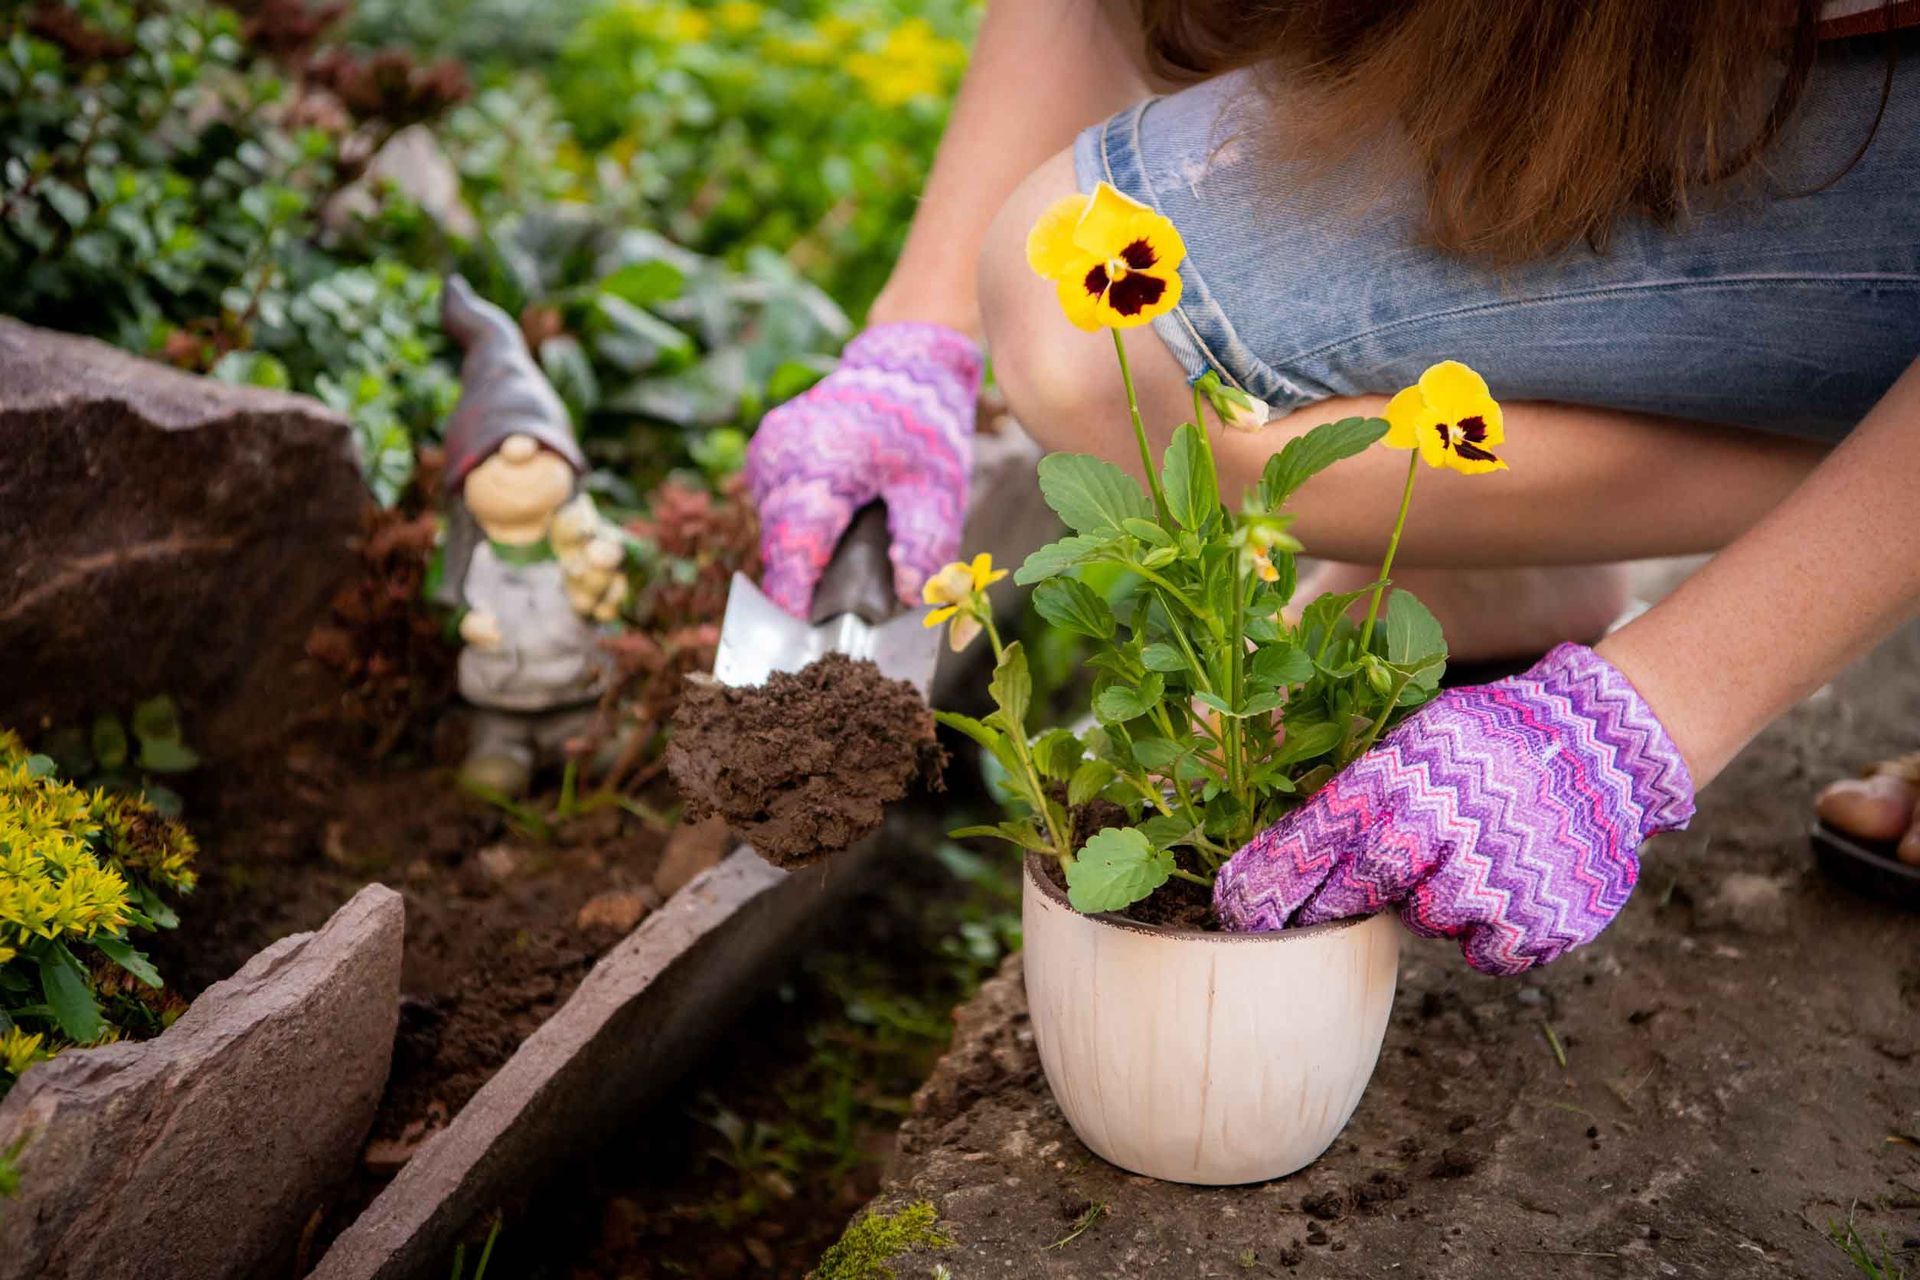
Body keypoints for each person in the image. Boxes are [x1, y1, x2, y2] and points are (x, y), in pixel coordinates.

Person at [744, 0, 1920, 971]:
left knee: (1116, 311)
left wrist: (1651, 714)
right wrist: (918, 338)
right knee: (1081, 329)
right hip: (1612, 50)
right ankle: (1520, 566)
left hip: (1873, 97)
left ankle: (1867, 517)